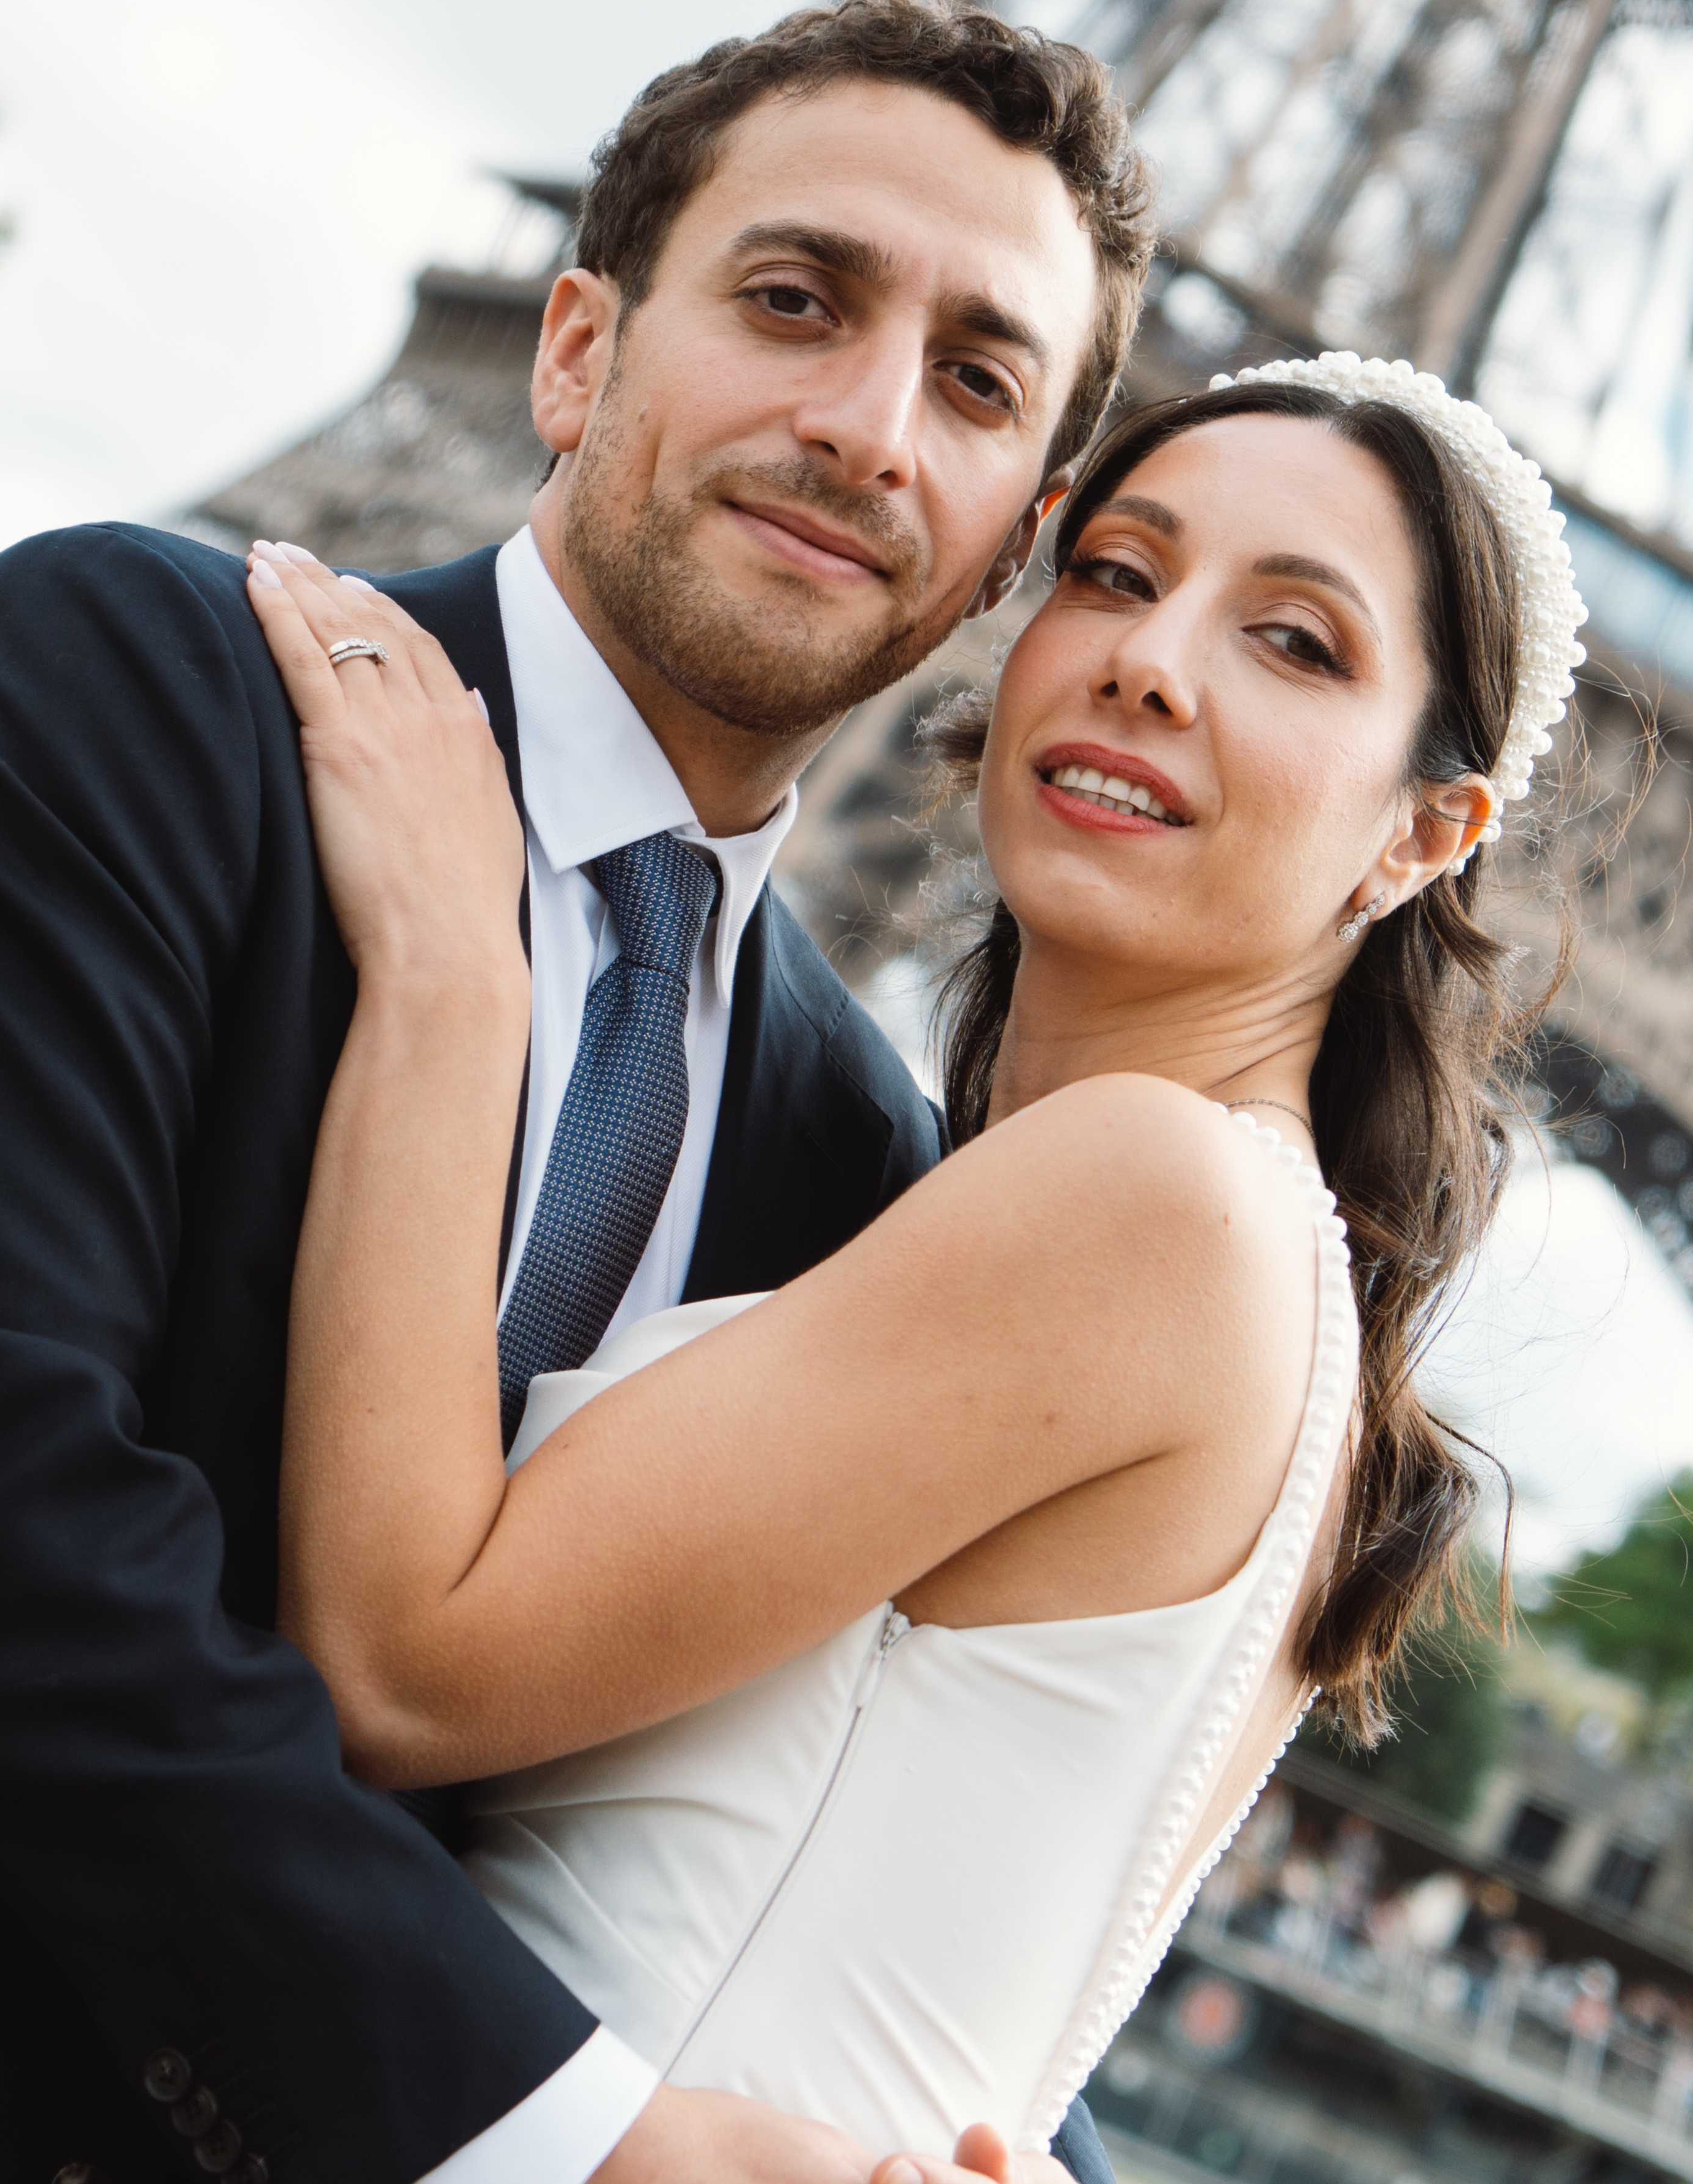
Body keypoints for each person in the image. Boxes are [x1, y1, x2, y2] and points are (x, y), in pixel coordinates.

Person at [0, 0, 1151, 2184]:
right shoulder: (133, 689)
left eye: (972, 381)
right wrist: (571, 2136)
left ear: (1008, 550)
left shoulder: (866, 1167)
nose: (869, 425)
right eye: (793, 299)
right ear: (574, 349)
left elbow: (776, 1834)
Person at [238, 349, 1587, 2159]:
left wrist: (451, 974)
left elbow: (403, 1667)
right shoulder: (1235, 1259)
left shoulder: (1150, 1200)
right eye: (1114, 570)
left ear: (1427, 833)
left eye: (1294, 641)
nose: (1145, 657)